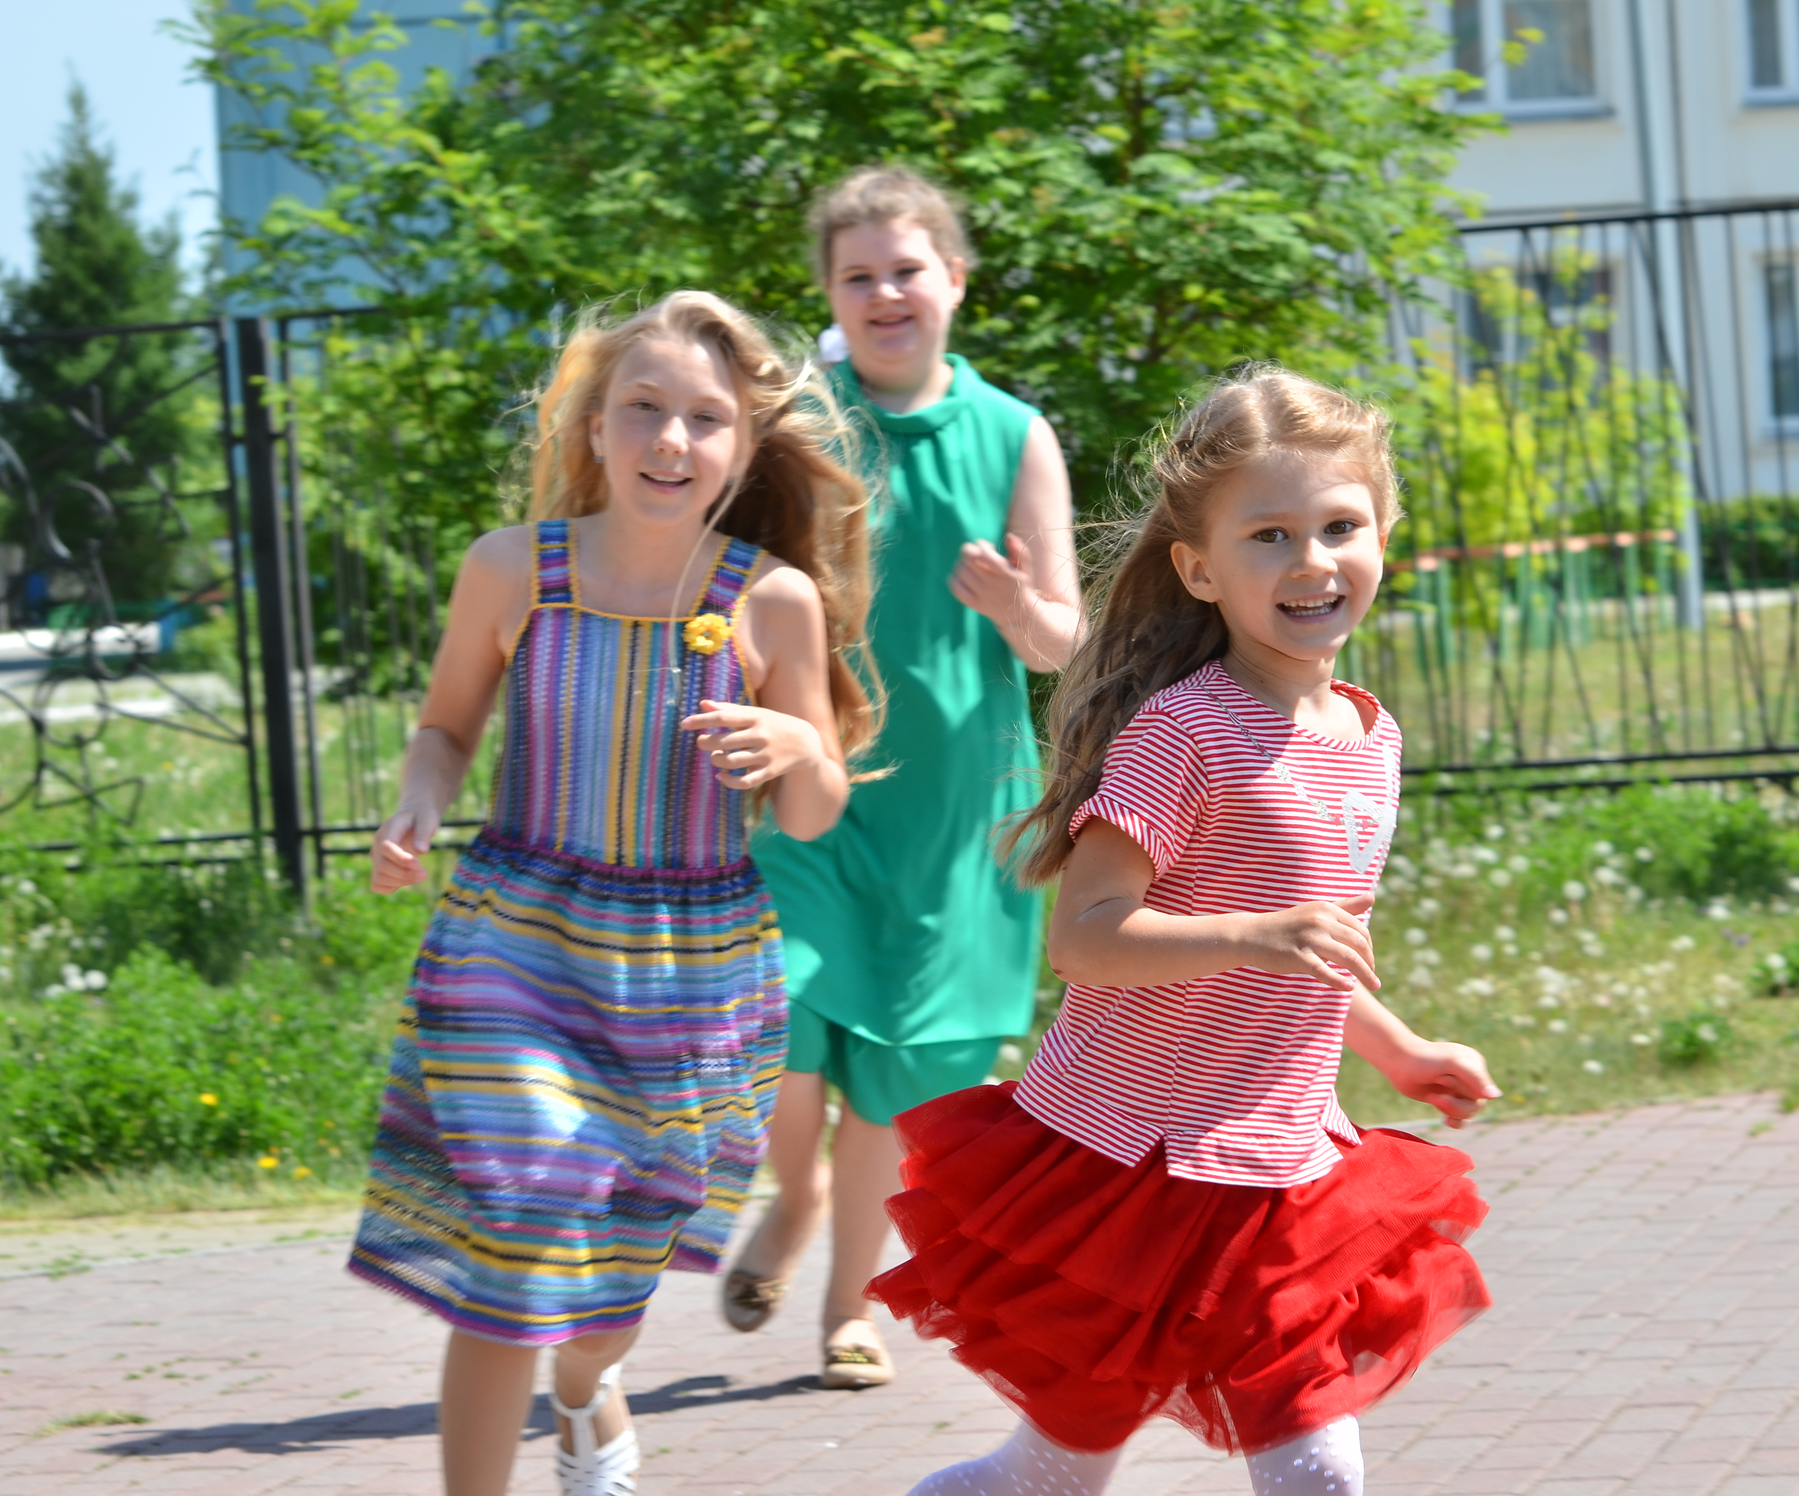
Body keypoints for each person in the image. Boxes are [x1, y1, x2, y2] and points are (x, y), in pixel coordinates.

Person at [871, 366, 1500, 1496]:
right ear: (1201, 569)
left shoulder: (1368, 738)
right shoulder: (1184, 732)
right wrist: (1251, 935)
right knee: (1052, 1478)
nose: (1310, 562)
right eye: (1269, 536)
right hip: (1131, 1165)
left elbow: (1312, 956)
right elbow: (1087, 938)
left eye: (1338, 526)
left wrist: (1398, 1050)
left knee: (1319, 1476)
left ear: (1383, 537)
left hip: (1282, 1173)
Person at [350, 292, 877, 1496]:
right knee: (512, 1252)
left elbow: (813, 807)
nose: (670, 439)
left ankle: (587, 1392)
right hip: (517, 943)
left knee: (609, 1287)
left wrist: (802, 753)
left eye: (705, 418)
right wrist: (419, 801)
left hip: (689, 972)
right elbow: (443, 729)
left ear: (740, 450)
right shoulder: (511, 571)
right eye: (642, 408)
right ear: (593, 427)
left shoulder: (770, 601)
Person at [722, 167, 1082, 1389]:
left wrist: (1020, 605)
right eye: (856, 275)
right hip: (814, 784)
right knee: (779, 1015)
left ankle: (844, 1310)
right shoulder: (801, 428)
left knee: (895, 1078)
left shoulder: (1014, 434)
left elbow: (1066, 646)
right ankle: (793, 1195)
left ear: (955, 281)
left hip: (957, 812)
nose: (884, 293)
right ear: (829, 293)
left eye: (906, 269)